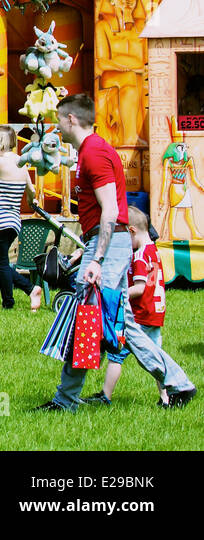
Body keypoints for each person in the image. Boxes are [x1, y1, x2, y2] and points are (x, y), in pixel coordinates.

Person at [32, 93, 196, 411]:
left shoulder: (94, 153)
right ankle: (179, 383)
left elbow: (110, 211)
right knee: (121, 324)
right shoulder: (91, 151)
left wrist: (96, 258)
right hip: (109, 242)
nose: (57, 128)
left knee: (87, 318)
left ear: (71, 120)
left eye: (58, 120)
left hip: (108, 243)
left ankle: (65, 401)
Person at [85, 208, 171, 406]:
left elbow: (140, 288)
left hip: (140, 316)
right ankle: (166, 397)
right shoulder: (154, 252)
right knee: (156, 357)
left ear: (131, 231)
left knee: (117, 355)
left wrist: (121, 294)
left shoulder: (139, 256)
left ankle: (105, 396)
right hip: (155, 314)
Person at [0, 126, 46, 311]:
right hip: (13, 221)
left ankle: (26, 292)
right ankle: (11, 300)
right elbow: (31, 193)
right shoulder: (21, 164)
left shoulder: (0, 162)